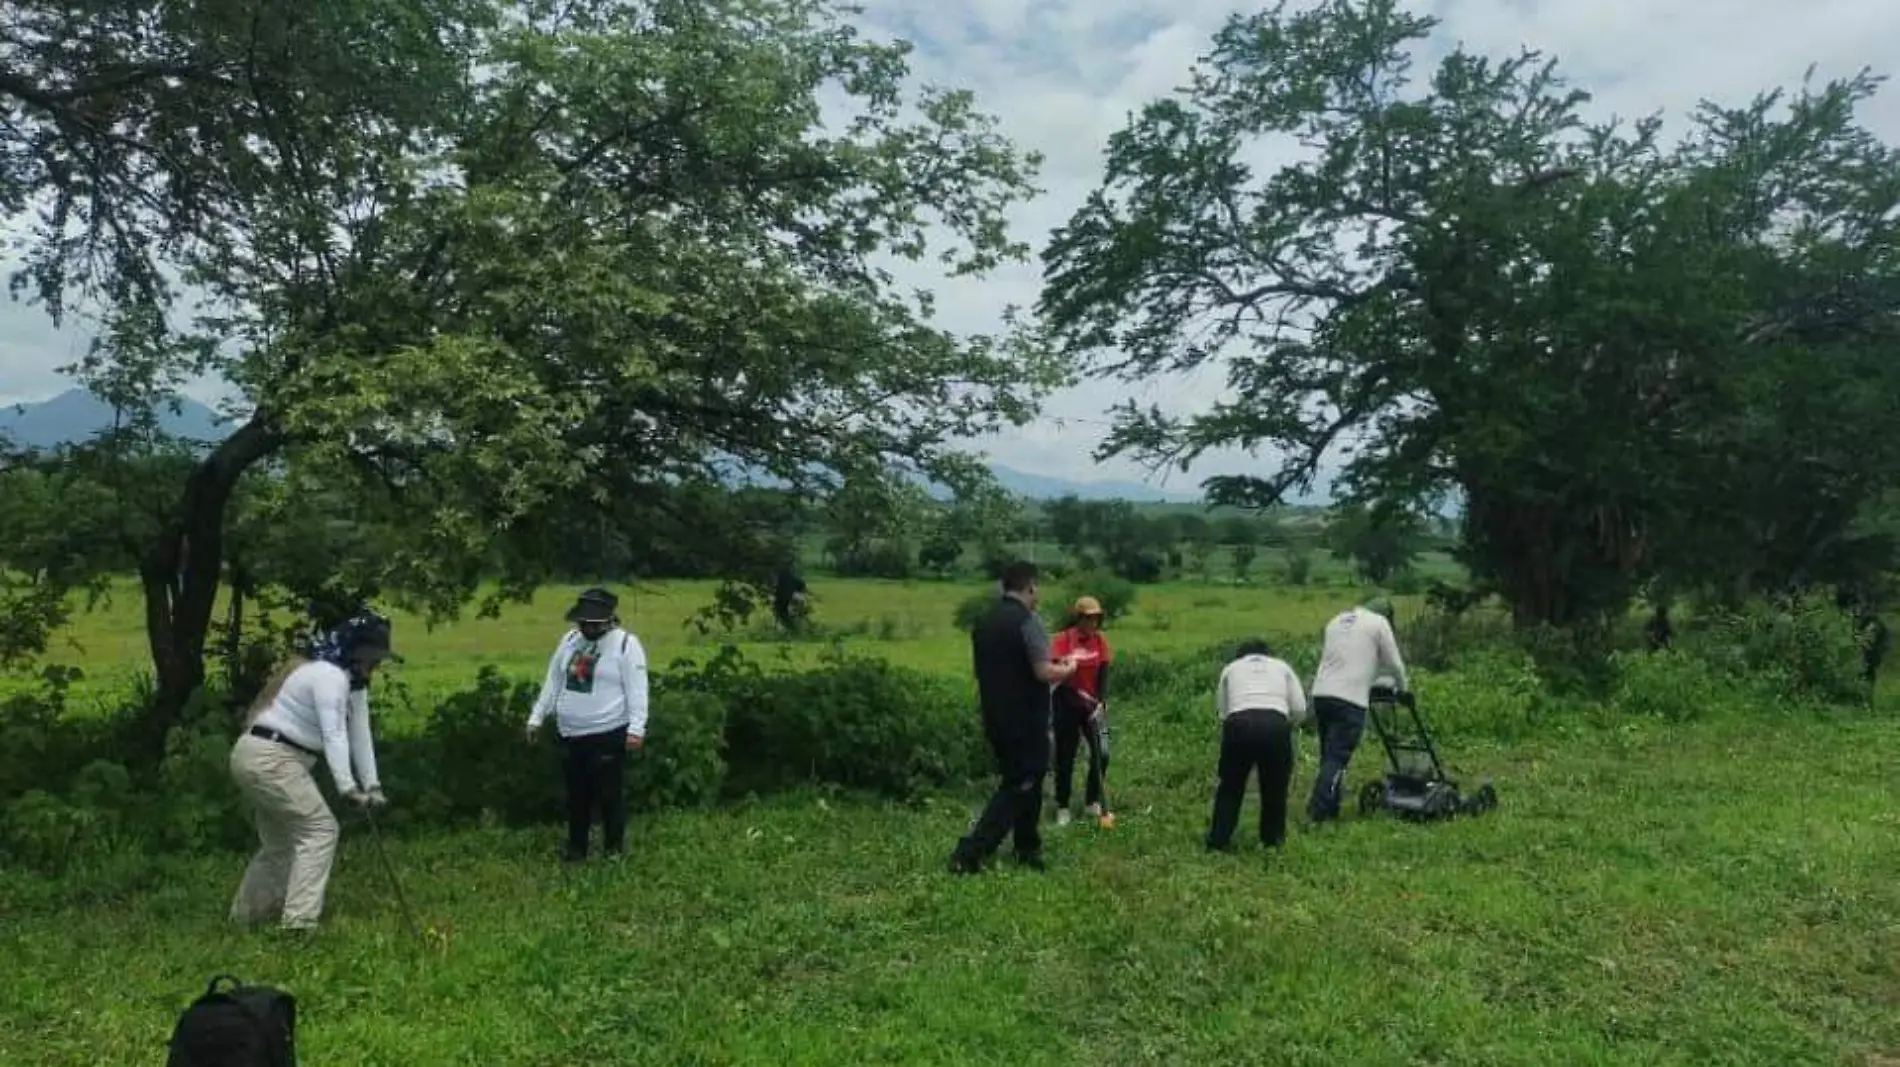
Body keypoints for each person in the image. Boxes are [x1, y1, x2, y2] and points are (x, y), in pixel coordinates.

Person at [227, 609, 395, 933]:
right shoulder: (328, 676)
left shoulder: (353, 684)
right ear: (354, 653)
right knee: (320, 830)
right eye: (371, 659)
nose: (374, 667)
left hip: (264, 756)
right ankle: (298, 926)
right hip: (271, 756)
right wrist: (347, 788)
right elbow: (334, 733)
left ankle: (244, 919)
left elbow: (360, 736)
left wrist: (373, 785)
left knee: (281, 845)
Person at [949, 561, 1075, 874]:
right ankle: (970, 852)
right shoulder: (1027, 621)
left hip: (995, 715)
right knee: (1019, 785)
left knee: (1028, 782)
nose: (1038, 593)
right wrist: (1069, 669)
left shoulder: (984, 621)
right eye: (1037, 587)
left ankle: (1027, 847)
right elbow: (1043, 671)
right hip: (1026, 719)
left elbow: (1007, 665)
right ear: (1029, 586)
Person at [525, 587, 651, 863]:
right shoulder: (570, 641)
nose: (587, 628)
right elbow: (553, 680)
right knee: (576, 796)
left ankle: (613, 851)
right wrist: (537, 717)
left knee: (608, 796)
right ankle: (576, 849)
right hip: (570, 732)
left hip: (607, 731)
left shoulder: (625, 645)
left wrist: (636, 728)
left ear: (608, 620)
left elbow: (638, 690)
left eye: (593, 623)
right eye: (583, 622)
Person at [1307, 595, 1409, 824]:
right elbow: (1394, 664)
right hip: (1349, 700)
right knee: (1337, 759)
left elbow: (1349, 659)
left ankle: (1331, 807)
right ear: (1385, 614)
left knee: (1328, 756)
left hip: (1321, 695)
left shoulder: (1336, 621)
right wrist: (1403, 689)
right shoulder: (1379, 623)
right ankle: (1318, 811)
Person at [1206, 638, 1307, 852]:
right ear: (1268, 654)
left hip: (1239, 723)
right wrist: (1286, 725)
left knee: (1230, 788)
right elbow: (1299, 708)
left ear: (1240, 655)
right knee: (1275, 788)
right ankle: (1272, 841)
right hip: (1275, 724)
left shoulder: (1231, 668)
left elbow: (1223, 711)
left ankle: (1218, 842)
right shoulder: (1282, 667)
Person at [1050, 596, 1114, 826]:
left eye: (1096, 618)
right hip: (1066, 704)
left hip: (1091, 707)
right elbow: (1055, 671)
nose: (1092, 623)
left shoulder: (1099, 642)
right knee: (1065, 757)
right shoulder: (1063, 640)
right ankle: (1063, 806)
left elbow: (1103, 671)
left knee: (1102, 753)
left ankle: (1091, 800)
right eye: (1088, 618)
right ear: (1078, 618)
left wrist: (1100, 701)